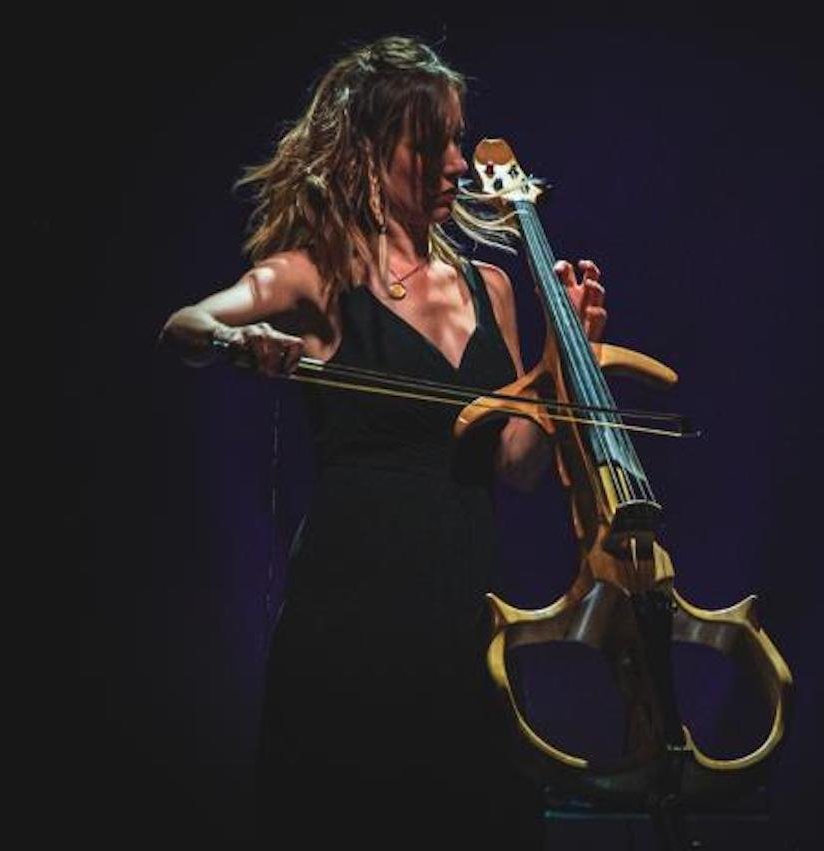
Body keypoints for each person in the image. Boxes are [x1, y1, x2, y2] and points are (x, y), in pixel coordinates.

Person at [160, 35, 607, 846]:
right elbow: (186, 324)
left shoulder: (493, 286)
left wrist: (555, 366)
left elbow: (519, 468)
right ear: (372, 148)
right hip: (353, 613)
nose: (457, 164)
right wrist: (242, 344)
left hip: (470, 617)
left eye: (458, 137)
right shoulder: (319, 272)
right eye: (431, 141)